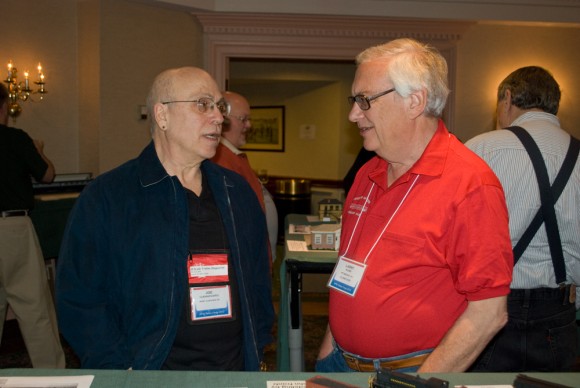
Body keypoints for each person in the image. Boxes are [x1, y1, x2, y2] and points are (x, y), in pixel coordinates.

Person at [56, 67, 274, 370]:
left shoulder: (235, 191)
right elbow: (80, 298)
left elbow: (258, 279)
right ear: (162, 116)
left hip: (233, 370)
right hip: (149, 374)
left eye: (219, 107)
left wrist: (258, 344)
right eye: (202, 104)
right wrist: (119, 369)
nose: (218, 118)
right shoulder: (108, 197)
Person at [316, 38, 514, 373]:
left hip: (410, 373)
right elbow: (347, 275)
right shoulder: (368, 173)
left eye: (364, 100)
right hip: (340, 364)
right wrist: (326, 357)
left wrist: (421, 384)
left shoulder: (470, 185)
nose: (353, 115)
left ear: (415, 101)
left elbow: (489, 313)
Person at [465, 66, 579, 372]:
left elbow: (454, 235)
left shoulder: (480, 149)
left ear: (507, 97)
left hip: (487, 307)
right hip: (559, 314)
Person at [0, 83, 65, 368]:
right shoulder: (16, 138)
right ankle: (53, 378)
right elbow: (47, 175)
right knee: (34, 306)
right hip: (12, 227)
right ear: (4, 107)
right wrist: (38, 150)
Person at [211, 91, 278, 261]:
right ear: (223, 118)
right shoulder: (218, 160)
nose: (249, 125)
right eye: (243, 119)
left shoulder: (233, 156)